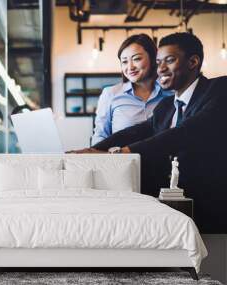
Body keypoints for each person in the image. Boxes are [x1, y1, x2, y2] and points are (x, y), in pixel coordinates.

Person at [72, 32, 227, 233]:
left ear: (193, 62)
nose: (160, 68)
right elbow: (136, 131)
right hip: (172, 207)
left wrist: (121, 153)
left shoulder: (219, 88)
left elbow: (185, 133)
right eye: (158, 61)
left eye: (169, 61)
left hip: (212, 205)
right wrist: (90, 150)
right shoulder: (166, 106)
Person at [92, 34, 172, 145]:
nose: (130, 67)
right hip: (123, 161)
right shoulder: (110, 94)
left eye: (136, 59)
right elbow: (100, 136)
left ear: (153, 58)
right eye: (124, 61)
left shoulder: (171, 93)